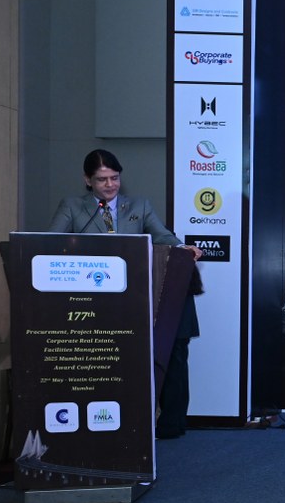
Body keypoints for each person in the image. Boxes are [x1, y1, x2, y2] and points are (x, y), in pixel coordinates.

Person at [48, 148, 203, 439]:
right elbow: (51, 243)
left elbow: (162, 235)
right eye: (102, 179)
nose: (110, 185)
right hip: (96, 297)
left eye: (115, 178)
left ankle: (167, 424)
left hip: (137, 295)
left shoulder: (139, 206)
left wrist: (183, 247)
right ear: (87, 180)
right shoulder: (72, 206)